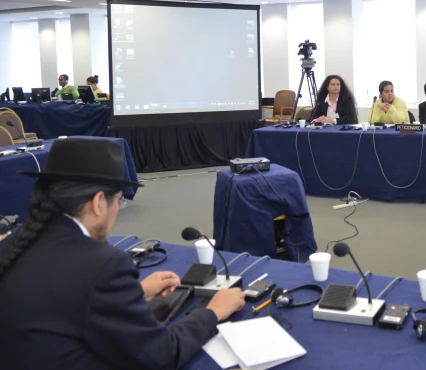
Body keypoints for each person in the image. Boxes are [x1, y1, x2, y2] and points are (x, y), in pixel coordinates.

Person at [0, 138, 246, 369]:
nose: (117, 210)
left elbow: (61, 303)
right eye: (118, 201)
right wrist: (213, 311)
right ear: (98, 203)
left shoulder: (14, 243)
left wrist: (134, 294)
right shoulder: (102, 265)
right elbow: (163, 354)